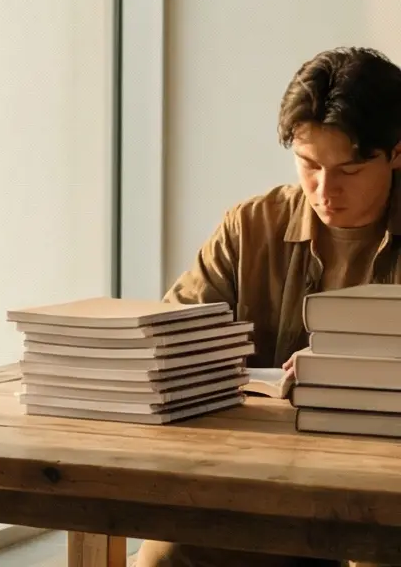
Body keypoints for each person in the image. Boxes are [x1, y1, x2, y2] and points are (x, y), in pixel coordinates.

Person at [134, 46, 401, 567]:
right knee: (166, 555)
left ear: (396, 151)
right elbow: (170, 342)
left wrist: (352, 376)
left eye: (349, 169)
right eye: (309, 165)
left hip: (387, 489)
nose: (326, 191)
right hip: (261, 480)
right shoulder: (251, 227)